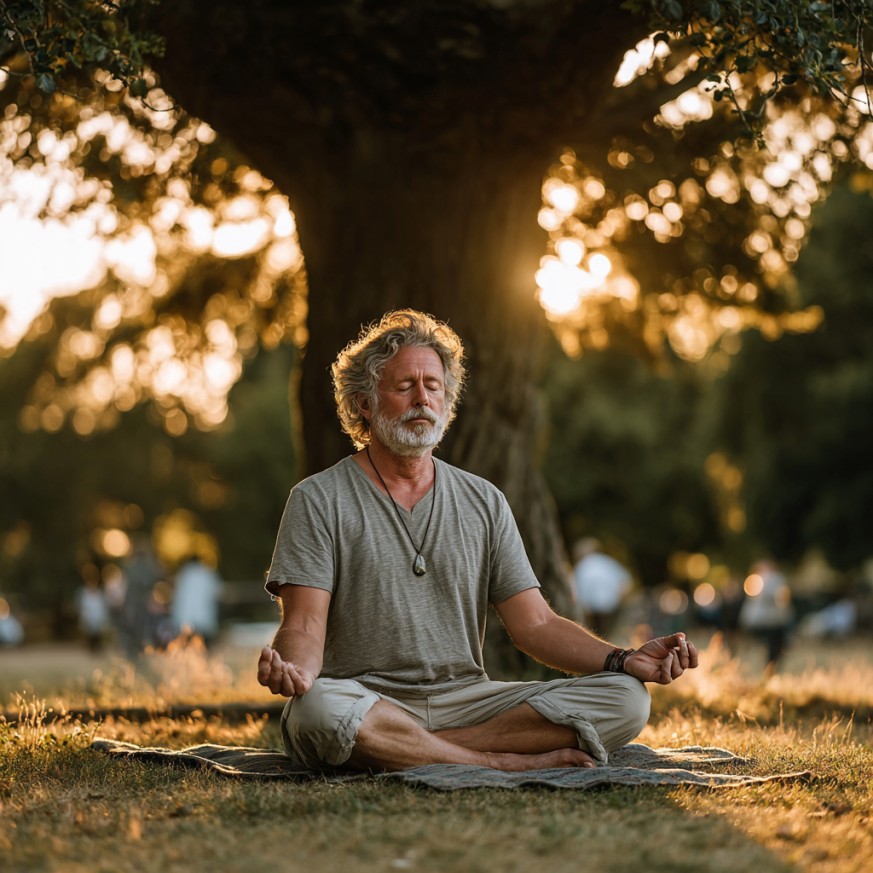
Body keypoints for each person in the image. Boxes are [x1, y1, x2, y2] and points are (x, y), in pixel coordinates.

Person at [258, 310, 699, 774]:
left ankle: (407, 748)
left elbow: (537, 626)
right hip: (365, 696)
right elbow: (304, 625)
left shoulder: (484, 500)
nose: (423, 398)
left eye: (433, 385)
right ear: (365, 404)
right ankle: (495, 760)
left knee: (626, 698)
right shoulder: (317, 498)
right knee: (317, 709)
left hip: (467, 700)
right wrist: (298, 673)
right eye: (404, 385)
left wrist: (624, 659)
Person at [571, 538, 633, 637]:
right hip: (611, 607)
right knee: (609, 636)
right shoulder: (607, 562)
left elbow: (578, 590)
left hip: (591, 611)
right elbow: (625, 581)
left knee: (594, 636)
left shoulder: (582, 566)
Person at [171, 554, 222, 645]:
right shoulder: (208, 573)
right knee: (202, 642)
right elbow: (218, 591)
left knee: (186, 642)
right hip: (203, 616)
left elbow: (176, 591)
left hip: (185, 617)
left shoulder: (184, 574)